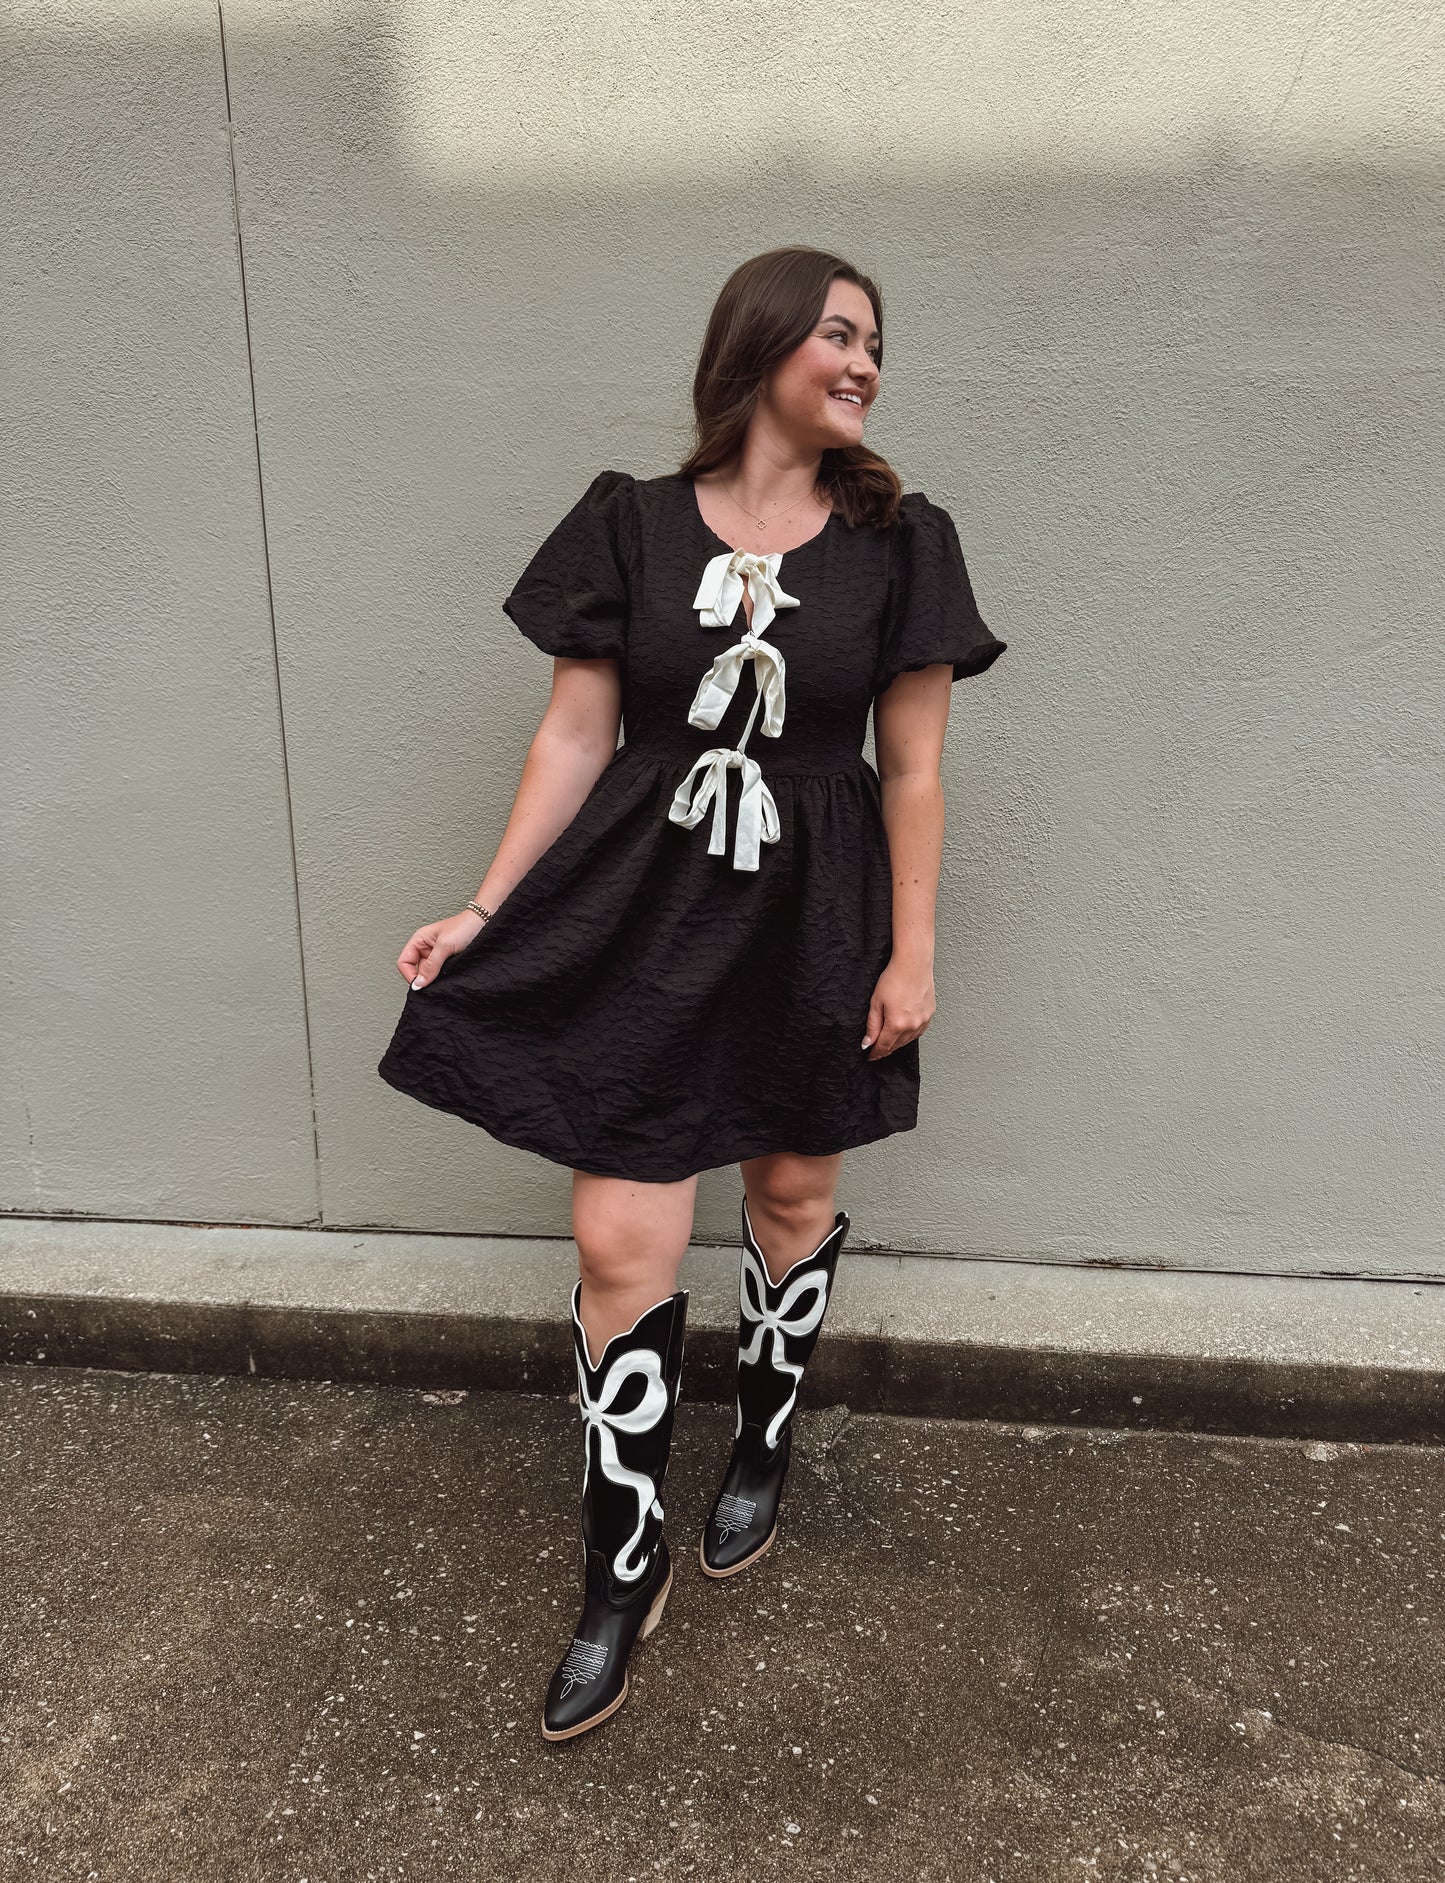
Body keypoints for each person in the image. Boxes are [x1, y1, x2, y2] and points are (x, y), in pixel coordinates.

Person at [377, 245, 1007, 1741]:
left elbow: (910, 765)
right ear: (762, 346)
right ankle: (622, 1559)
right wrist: (483, 904)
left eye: (875, 345)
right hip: (639, 912)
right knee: (621, 1229)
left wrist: (911, 952)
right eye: (839, 336)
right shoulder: (630, 523)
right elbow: (573, 737)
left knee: (789, 1198)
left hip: (817, 912)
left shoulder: (904, 543)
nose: (863, 364)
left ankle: (764, 1445)